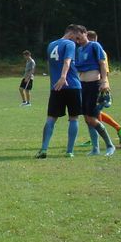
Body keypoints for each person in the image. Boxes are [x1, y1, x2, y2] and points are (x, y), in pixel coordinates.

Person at [36, 25, 85, 159]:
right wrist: (63, 77)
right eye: (77, 38)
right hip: (72, 85)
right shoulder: (69, 44)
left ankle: (43, 149)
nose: (77, 41)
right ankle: (69, 151)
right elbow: (67, 61)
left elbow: (50, 65)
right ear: (71, 33)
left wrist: (55, 80)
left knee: (51, 118)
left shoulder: (51, 45)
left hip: (56, 87)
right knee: (74, 118)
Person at [76, 29, 116, 156]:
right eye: (76, 39)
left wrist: (104, 81)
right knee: (87, 118)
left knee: (92, 118)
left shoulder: (94, 46)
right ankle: (95, 148)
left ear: (85, 33)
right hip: (83, 86)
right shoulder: (79, 50)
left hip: (94, 85)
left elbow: (102, 63)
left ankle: (110, 145)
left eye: (79, 36)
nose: (78, 40)